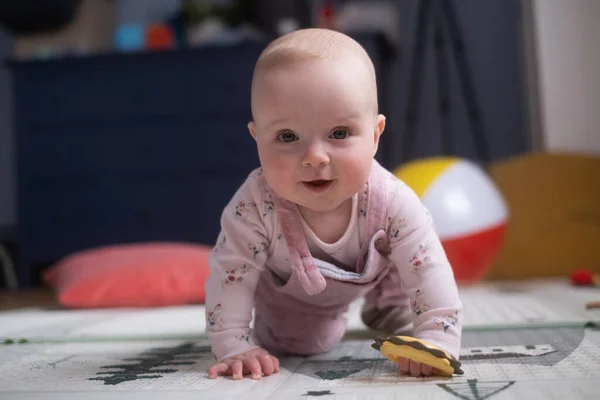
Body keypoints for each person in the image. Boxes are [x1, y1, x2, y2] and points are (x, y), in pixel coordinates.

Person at [205, 28, 462, 381]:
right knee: (304, 342)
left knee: (409, 275)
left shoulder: (392, 199)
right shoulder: (254, 206)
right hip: (295, 298)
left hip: (381, 272)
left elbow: (428, 265)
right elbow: (230, 272)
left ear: (375, 135)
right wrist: (233, 344)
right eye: (287, 137)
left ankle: (387, 310)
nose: (314, 157)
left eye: (339, 133)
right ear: (257, 138)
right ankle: (299, 326)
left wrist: (438, 338)